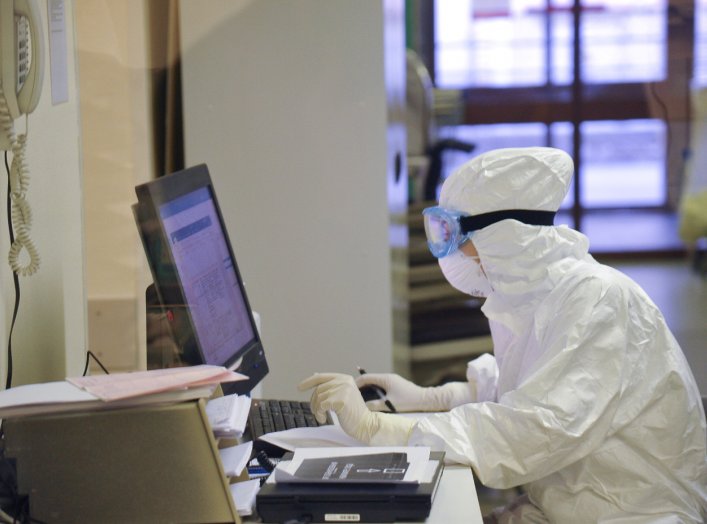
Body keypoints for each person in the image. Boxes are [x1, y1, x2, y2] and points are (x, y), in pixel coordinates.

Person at [299, 147, 707, 523]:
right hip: (570, 506)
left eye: (452, 234)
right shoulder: (535, 297)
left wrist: (379, 430)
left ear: (503, 237)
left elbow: (531, 431)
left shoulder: (596, 302)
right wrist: (432, 398)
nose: (450, 251)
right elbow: (528, 393)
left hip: (635, 515)